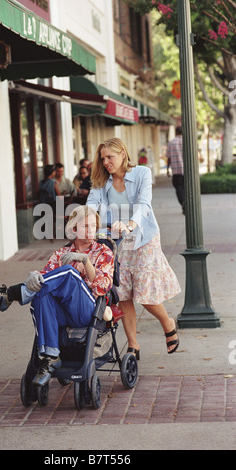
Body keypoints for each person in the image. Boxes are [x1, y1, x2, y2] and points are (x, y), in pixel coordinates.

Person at [0, 206, 114, 386]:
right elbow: (45, 276)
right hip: (63, 314)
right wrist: (34, 275)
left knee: (69, 273)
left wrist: (85, 260)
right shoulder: (61, 253)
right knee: (42, 294)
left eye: (94, 226)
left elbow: (103, 287)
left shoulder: (103, 252)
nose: (92, 230)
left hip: (88, 310)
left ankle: (10, 295)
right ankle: (50, 358)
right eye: (86, 226)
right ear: (74, 229)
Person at [87, 137, 181, 358]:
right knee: (124, 294)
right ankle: (133, 344)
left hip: (143, 238)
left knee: (145, 295)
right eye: (103, 159)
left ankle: (168, 323)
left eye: (110, 157)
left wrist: (130, 224)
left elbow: (144, 204)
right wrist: (85, 220)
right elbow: (92, 203)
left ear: (122, 154)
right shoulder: (102, 180)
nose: (106, 162)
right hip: (116, 242)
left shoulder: (141, 173)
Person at [166, 126, 185, 214]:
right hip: (186, 171)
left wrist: (167, 169)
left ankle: (183, 203)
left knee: (178, 188)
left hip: (176, 171)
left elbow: (169, 158)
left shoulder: (171, 142)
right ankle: (186, 203)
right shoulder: (187, 142)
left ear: (176, 132)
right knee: (186, 189)